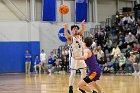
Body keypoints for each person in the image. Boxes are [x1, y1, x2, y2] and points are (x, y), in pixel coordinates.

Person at [64, 20, 87, 93]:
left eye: (77, 29)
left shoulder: (80, 35)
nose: (76, 30)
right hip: (73, 58)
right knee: (73, 73)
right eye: (74, 29)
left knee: (84, 73)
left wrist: (82, 25)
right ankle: (70, 87)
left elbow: (82, 30)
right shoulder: (70, 38)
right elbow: (66, 35)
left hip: (80, 57)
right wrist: (65, 28)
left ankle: (82, 87)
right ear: (71, 31)